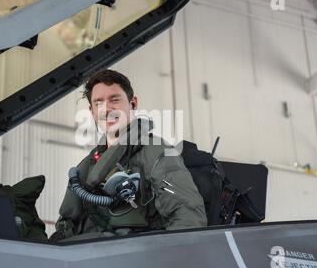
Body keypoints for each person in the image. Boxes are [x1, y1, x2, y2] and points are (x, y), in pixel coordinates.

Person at [50, 69, 206, 242]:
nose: (107, 108)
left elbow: (188, 217)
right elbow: (66, 227)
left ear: (133, 103)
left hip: (139, 260)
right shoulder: (86, 167)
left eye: (114, 100)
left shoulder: (157, 153)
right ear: (92, 111)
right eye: (98, 103)